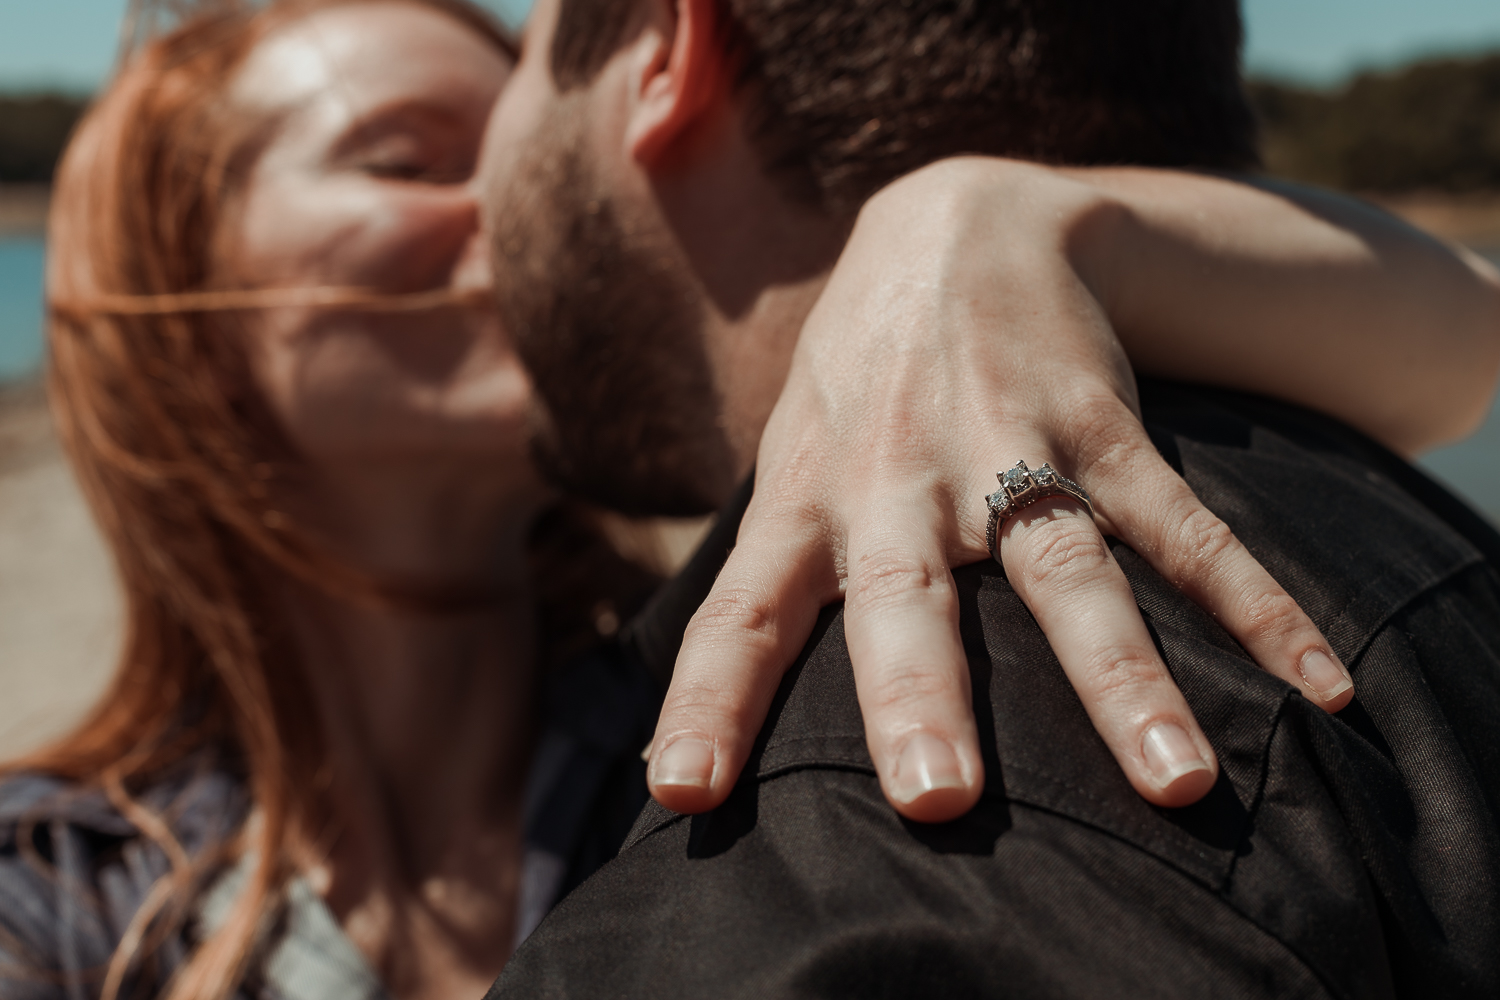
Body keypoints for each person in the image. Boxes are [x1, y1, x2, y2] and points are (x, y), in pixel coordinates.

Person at [1, 1, 1493, 999]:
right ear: (172, 306)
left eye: (500, 131)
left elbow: (1467, 330)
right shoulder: (63, 891)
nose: (501, 213)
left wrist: (996, 220)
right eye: (406, 162)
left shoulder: (710, 721)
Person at [476, 0, 1500, 995]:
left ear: (665, 49)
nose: (468, 211)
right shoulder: (1348, 475)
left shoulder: (835, 848)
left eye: (518, 60)